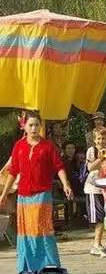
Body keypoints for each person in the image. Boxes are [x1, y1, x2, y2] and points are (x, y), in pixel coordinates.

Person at [0, 111, 73, 273]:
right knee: (26, 230)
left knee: (42, 228)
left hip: (42, 194)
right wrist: (4, 194)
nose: (34, 128)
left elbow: (58, 167)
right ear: (24, 126)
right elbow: (13, 172)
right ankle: (27, 266)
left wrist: (66, 184)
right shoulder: (19, 146)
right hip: (24, 196)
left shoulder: (47, 146)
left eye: (37, 125)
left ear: (40, 127)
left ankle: (49, 265)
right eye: (31, 125)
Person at [84, 127, 106, 256]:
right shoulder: (91, 151)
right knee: (99, 217)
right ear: (94, 140)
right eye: (98, 138)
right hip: (93, 188)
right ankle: (96, 244)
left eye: (103, 138)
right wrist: (101, 158)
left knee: (105, 216)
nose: (101, 141)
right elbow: (90, 168)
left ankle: (101, 243)